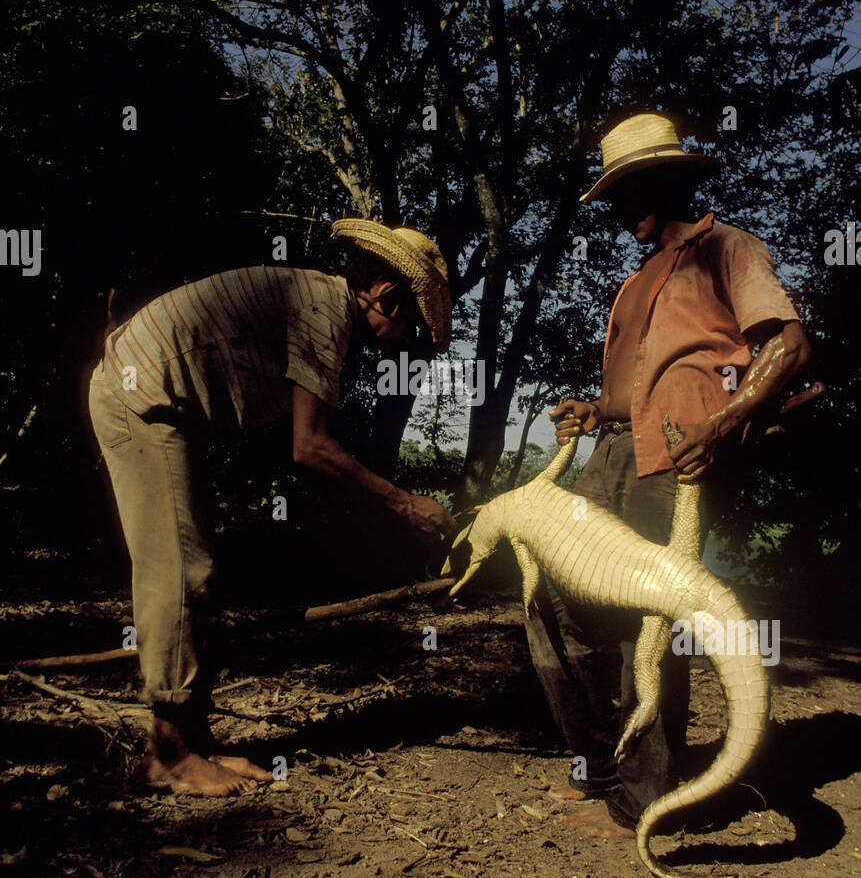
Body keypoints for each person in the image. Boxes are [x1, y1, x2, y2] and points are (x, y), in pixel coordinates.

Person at [88, 219, 458, 796]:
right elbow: (309, 448)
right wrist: (404, 503)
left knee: (198, 564)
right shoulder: (322, 311)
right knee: (181, 569)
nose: (405, 339)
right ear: (385, 297)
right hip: (139, 400)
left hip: (162, 405)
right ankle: (168, 754)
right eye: (409, 322)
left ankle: (194, 741)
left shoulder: (318, 303)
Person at [524, 112, 812, 838]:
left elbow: (786, 344)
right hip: (610, 456)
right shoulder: (631, 283)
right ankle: (595, 761)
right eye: (616, 193)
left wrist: (724, 420)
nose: (624, 208)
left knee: (646, 623)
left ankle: (643, 796)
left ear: (673, 181)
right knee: (552, 596)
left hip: (676, 458)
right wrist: (592, 409)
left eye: (634, 188)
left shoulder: (727, 247)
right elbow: (628, 390)